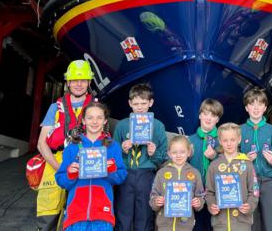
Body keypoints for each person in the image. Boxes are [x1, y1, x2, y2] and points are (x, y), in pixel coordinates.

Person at [36, 60, 94, 231]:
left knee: (78, 217)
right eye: (74, 80)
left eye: (83, 80)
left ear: (89, 82)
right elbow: (41, 143)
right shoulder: (56, 108)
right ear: (68, 82)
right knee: (48, 215)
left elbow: (103, 142)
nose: (78, 84)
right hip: (55, 163)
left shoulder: (96, 108)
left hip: (84, 165)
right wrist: (59, 167)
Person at [55, 101, 128, 230]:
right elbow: (61, 181)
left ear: (105, 121)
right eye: (90, 118)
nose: (94, 122)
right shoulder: (72, 147)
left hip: (103, 214)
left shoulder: (112, 146)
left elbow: (120, 177)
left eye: (99, 117)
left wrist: (110, 170)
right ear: (83, 120)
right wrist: (71, 174)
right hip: (75, 215)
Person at [113, 83, 168, 231]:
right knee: (123, 214)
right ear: (130, 103)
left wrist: (153, 153)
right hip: (126, 173)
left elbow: (163, 157)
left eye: (143, 103)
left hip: (147, 174)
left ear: (151, 103)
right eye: (136, 103)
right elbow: (112, 156)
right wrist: (122, 150)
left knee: (144, 215)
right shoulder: (122, 126)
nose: (140, 107)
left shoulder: (158, 126)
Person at [240, 87, 272, 231]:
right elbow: (230, 159)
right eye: (252, 104)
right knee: (250, 223)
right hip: (246, 183)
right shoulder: (238, 130)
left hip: (269, 182)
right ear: (246, 108)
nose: (256, 108)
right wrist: (244, 159)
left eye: (260, 104)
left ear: (265, 107)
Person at [205, 123, 259, 231]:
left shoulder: (247, 164)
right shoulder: (214, 165)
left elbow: (254, 191)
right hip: (220, 223)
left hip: (242, 222)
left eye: (232, 140)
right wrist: (212, 205)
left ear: (239, 139)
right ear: (220, 141)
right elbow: (209, 192)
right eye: (225, 140)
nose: (229, 144)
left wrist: (249, 205)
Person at [149, 135, 205, 231]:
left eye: (182, 152)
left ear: (189, 152)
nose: (178, 155)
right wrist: (156, 201)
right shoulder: (161, 173)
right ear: (169, 154)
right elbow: (153, 197)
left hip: (186, 225)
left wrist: (198, 202)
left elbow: (201, 196)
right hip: (164, 225)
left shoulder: (195, 173)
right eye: (174, 152)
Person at [189, 98, 223, 231]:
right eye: (205, 113)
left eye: (213, 115)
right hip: (195, 190)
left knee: (213, 225)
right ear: (199, 115)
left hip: (215, 192)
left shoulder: (222, 140)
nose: (208, 118)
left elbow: (228, 166)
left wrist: (214, 157)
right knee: (196, 225)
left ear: (217, 120)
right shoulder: (190, 140)